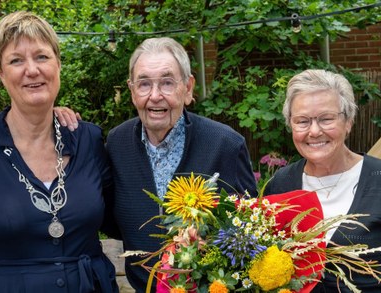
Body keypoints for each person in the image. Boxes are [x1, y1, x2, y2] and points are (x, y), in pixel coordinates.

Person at [56, 36, 258, 292]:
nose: (154, 96)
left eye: (167, 83)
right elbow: (108, 218)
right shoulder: (118, 144)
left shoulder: (224, 145)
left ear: (187, 88)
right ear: (131, 91)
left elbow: (250, 233)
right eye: (144, 84)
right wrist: (50, 115)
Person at [0, 11, 119, 293]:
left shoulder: (88, 138)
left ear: (58, 64)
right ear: (0, 72)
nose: (32, 70)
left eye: (42, 57)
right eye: (16, 60)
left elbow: (121, 219)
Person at [264, 69, 381, 292]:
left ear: (348, 121)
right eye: (302, 121)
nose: (314, 131)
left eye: (326, 119)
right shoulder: (281, 183)